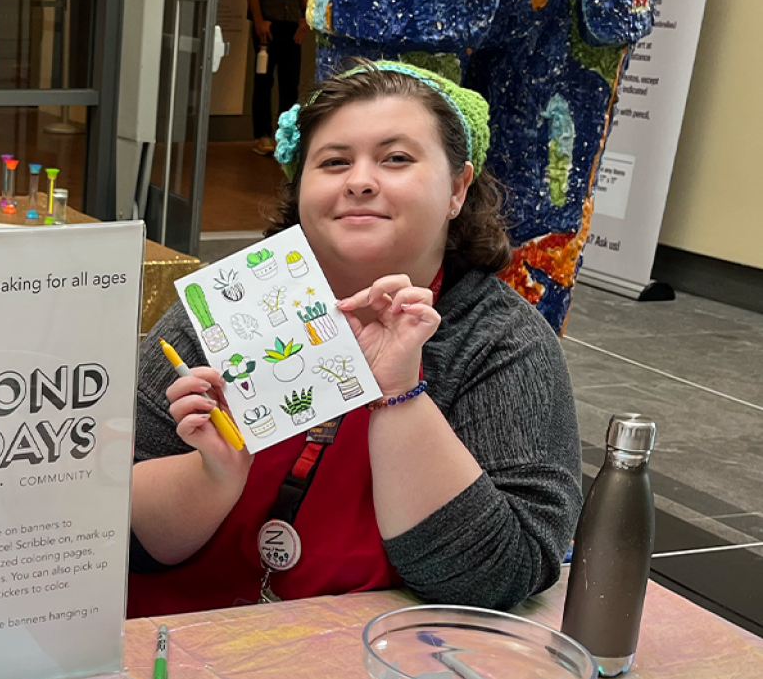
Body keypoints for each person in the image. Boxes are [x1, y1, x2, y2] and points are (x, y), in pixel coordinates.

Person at [127, 60, 582, 616]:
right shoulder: (226, 310)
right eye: (335, 161)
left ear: (457, 189)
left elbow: (498, 578)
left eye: (396, 159)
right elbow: (111, 538)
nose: (360, 180)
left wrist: (400, 394)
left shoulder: (502, 342)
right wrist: (211, 476)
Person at [245, 0, 310, 156]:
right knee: (264, 80)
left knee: (290, 83)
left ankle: (285, 136)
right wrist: (258, 20)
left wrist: (305, 19)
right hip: (268, 24)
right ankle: (263, 135)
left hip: (292, 24)